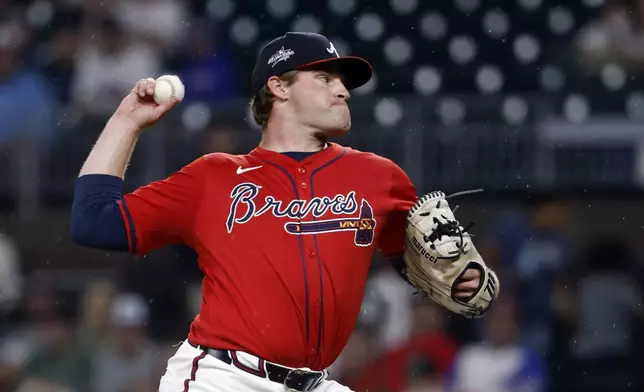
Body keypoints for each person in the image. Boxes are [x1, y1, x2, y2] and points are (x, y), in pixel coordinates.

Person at [70, 32, 482, 392]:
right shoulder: (215, 177)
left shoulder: (380, 177)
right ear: (279, 87)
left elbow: (425, 266)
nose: (343, 91)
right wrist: (126, 123)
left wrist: (463, 281)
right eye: (325, 78)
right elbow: (94, 222)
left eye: (343, 82)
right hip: (224, 378)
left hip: (313, 380)